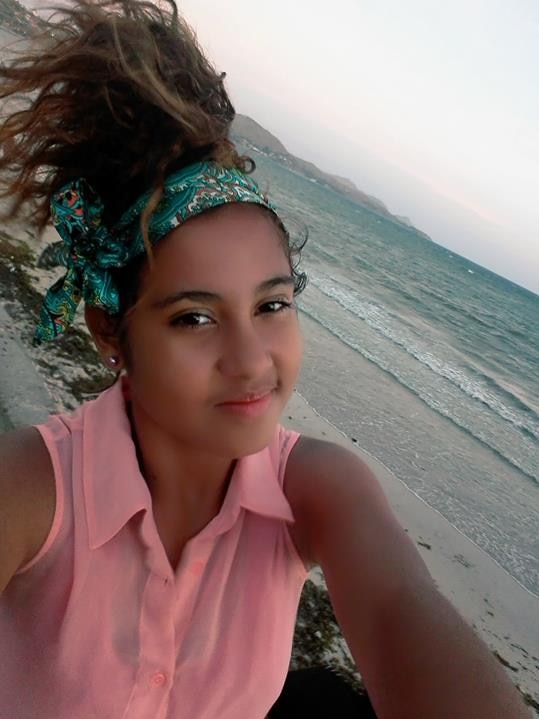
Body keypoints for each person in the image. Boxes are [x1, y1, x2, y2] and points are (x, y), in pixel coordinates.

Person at [0, 2, 530, 717]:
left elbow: (402, 603)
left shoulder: (316, 487)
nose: (251, 362)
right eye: (194, 317)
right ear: (109, 329)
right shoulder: (35, 488)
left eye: (272, 305)